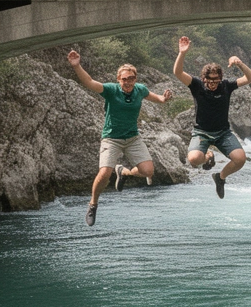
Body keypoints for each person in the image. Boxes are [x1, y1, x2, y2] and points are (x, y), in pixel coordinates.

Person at [67, 50, 173, 226]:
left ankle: (123, 172)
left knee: (148, 171)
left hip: (132, 138)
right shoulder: (111, 90)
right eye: (124, 79)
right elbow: (90, 82)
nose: (128, 82)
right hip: (111, 138)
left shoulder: (140, 90)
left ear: (135, 79)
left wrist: (164, 98)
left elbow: (156, 98)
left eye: (131, 78)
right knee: (104, 173)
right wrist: (77, 66)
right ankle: (93, 204)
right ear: (118, 79)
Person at [173, 36, 251, 198]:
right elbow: (178, 72)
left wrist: (239, 64)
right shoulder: (196, 85)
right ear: (204, 78)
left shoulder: (226, 86)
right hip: (202, 132)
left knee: (240, 159)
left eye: (216, 81)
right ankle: (208, 156)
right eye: (209, 80)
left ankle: (220, 177)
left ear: (220, 79)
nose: (212, 84)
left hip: (223, 133)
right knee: (194, 159)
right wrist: (182, 53)